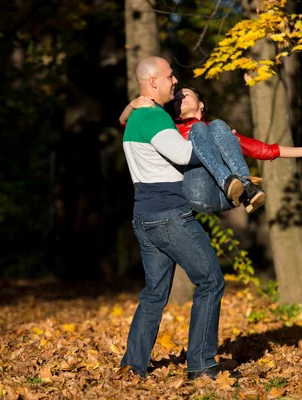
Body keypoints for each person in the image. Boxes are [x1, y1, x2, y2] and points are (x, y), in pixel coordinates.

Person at [120, 55, 241, 381]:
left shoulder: (136, 116)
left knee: (155, 295)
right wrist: (216, 139)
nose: (175, 82)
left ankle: (132, 368)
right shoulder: (155, 117)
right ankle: (202, 365)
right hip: (169, 216)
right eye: (170, 76)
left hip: (144, 216)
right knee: (211, 281)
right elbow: (184, 154)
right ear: (153, 81)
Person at [120, 86, 302, 214]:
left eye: (185, 95)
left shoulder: (218, 133)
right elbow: (125, 122)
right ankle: (233, 182)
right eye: (176, 98)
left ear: (201, 104)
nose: (178, 99)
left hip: (227, 198)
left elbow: (262, 150)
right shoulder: (168, 126)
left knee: (218, 126)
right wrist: (133, 104)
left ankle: (246, 188)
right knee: (203, 128)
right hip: (197, 193)